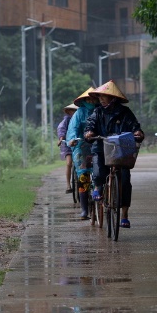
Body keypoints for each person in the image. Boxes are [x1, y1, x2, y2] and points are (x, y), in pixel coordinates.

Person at [83, 80, 144, 228]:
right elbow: (90, 124)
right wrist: (89, 132)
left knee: (125, 181)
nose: (101, 99)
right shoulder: (97, 112)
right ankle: (98, 188)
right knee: (98, 172)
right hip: (101, 147)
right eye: (99, 96)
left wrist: (137, 132)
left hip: (121, 149)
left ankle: (124, 215)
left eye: (104, 96)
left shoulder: (125, 112)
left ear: (113, 98)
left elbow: (135, 126)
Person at [64, 86, 100, 220]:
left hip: (97, 143)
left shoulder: (100, 110)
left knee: (101, 171)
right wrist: (72, 139)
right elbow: (73, 128)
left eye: (93, 99)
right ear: (84, 101)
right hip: (81, 145)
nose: (91, 101)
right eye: (88, 99)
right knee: (83, 176)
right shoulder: (79, 113)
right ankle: (84, 209)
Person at [57, 103, 78, 193]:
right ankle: (68, 185)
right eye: (72, 110)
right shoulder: (66, 121)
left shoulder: (80, 118)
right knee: (69, 163)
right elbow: (61, 130)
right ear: (69, 112)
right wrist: (61, 139)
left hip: (78, 143)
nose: (74, 112)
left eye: (75, 110)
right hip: (68, 144)